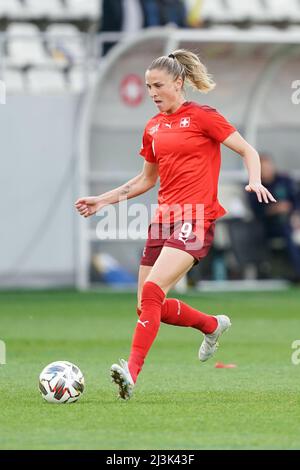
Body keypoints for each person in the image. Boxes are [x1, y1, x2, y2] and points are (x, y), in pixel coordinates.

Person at [75, 49, 276, 400]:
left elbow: (248, 151)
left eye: (158, 85)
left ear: (179, 83)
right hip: (162, 222)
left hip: (196, 219)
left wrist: (255, 179)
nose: (152, 92)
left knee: (153, 292)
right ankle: (212, 325)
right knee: (147, 305)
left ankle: (131, 373)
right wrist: (102, 200)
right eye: (148, 86)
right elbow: (144, 181)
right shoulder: (152, 127)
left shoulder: (202, 117)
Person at [248, 154, 300, 281]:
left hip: (293, 222)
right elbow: (256, 211)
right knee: (287, 232)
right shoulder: (254, 186)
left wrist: (296, 214)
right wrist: (274, 209)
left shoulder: (285, 180)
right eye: (263, 168)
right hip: (271, 227)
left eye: (268, 167)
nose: (267, 170)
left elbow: (296, 201)